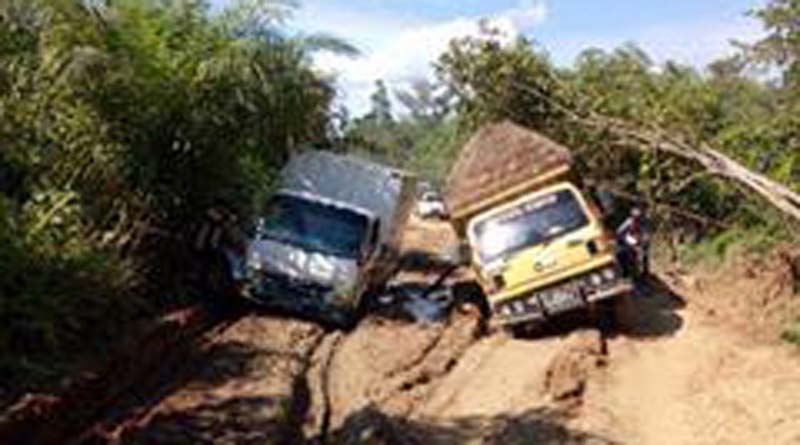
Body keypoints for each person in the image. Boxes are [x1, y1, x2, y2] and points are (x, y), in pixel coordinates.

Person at [616, 206, 651, 279]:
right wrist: (627, 240)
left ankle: (645, 270)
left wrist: (643, 241)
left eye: (639, 217)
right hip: (628, 240)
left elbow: (646, 232)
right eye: (636, 217)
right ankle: (627, 271)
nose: (638, 219)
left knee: (644, 253)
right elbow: (619, 232)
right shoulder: (629, 222)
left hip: (640, 239)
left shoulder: (644, 222)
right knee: (623, 253)